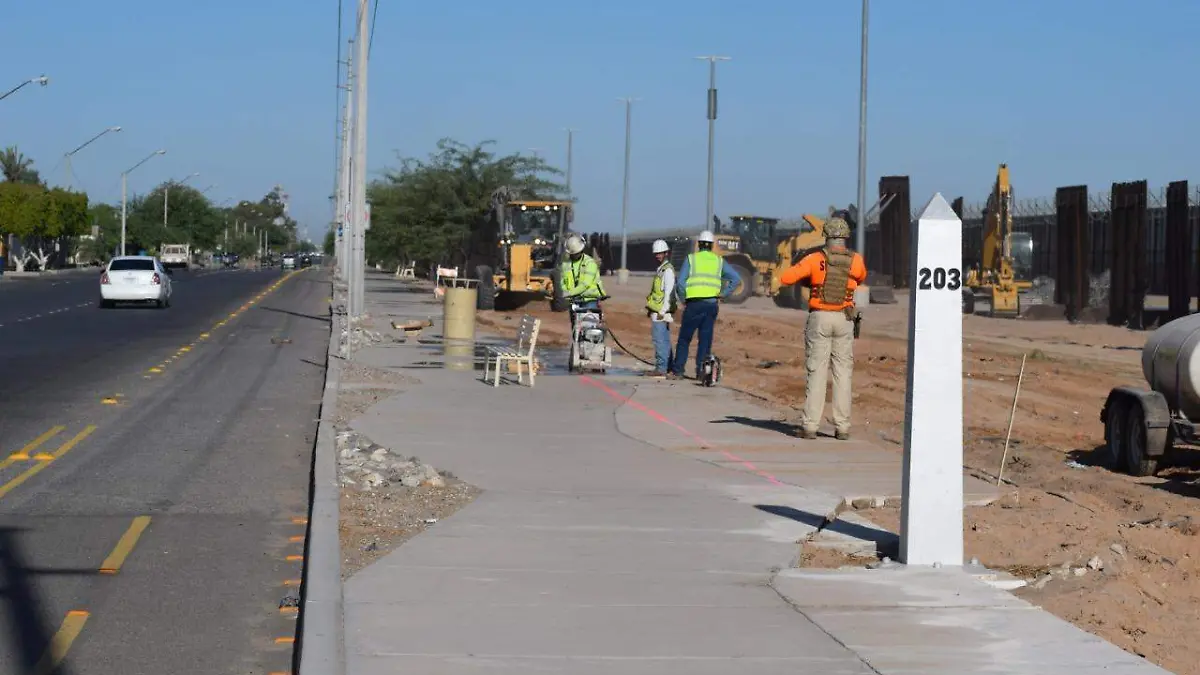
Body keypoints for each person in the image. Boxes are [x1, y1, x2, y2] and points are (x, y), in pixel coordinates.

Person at [778, 216, 867, 440]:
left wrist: (803, 270)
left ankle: (810, 426)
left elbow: (786, 278)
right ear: (846, 237)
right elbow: (860, 279)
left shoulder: (815, 258)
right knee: (843, 373)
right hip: (845, 319)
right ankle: (843, 426)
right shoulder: (856, 260)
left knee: (817, 372)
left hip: (820, 317)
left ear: (825, 236)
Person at [669, 230, 740, 379]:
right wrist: (724, 294)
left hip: (694, 304)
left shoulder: (691, 259)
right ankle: (702, 372)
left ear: (699, 244)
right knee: (705, 340)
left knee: (684, 339)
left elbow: (681, 284)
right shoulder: (719, 261)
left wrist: (684, 299)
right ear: (712, 245)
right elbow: (736, 279)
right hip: (711, 305)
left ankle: (678, 370)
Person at [644, 239, 676, 377]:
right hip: (657, 311)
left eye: (660, 253)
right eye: (656, 254)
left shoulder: (667, 271)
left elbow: (668, 293)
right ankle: (668, 366)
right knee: (664, 340)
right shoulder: (661, 269)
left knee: (660, 340)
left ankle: (661, 368)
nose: (657, 256)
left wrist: (662, 311)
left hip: (661, 313)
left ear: (666, 253)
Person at [559, 232, 606, 314]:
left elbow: (586, 284)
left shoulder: (589, 263)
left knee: (589, 323)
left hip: (589, 299)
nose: (574, 255)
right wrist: (565, 291)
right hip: (574, 300)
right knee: (576, 325)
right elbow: (563, 280)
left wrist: (569, 293)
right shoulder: (566, 264)